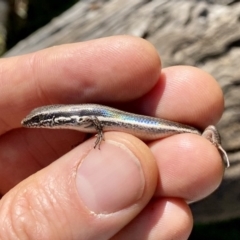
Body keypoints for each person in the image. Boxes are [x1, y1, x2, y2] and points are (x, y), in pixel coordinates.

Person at [0, 36, 224, 239]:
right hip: (132, 125)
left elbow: (96, 122)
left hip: (151, 125)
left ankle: (212, 139)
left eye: (37, 121)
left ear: (50, 119)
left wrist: (98, 134)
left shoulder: (77, 117)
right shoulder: (72, 118)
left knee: (197, 134)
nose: (33, 125)